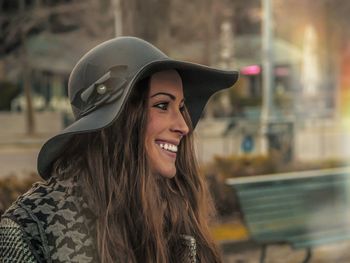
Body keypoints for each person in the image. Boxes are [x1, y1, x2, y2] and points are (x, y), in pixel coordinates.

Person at [0, 37, 238, 263]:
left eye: (181, 107)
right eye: (162, 105)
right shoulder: (29, 229)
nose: (183, 126)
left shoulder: (176, 210)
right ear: (118, 120)